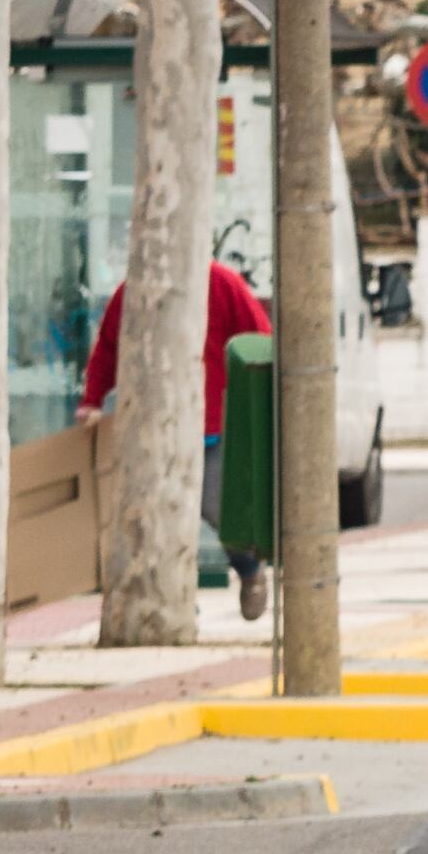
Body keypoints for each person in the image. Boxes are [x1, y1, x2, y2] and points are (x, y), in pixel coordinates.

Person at [83, 254, 278, 619]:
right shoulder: (134, 290)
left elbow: (260, 337)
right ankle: (177, 596)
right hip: (155, 429)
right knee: (161, 518)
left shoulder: (223, 283)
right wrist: (91, 399)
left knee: (221, 512)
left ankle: (251, 572)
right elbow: (110, 347)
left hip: (216, 426)